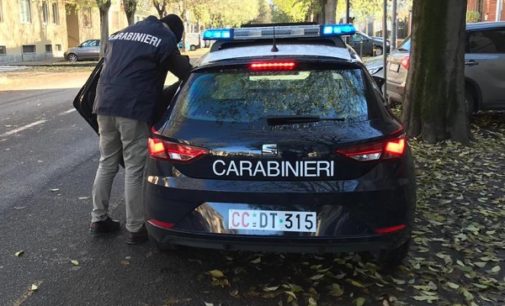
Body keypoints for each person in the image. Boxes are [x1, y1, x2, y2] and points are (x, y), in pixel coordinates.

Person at [89, 14, 192, 244]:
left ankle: (98, 219)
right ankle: (136, 228)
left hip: (103, 105)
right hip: (132, 109)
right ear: (175, 32)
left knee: (107, 161)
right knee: (135, 169)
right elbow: (185, 73)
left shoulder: (121, 33)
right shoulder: (165, 38)